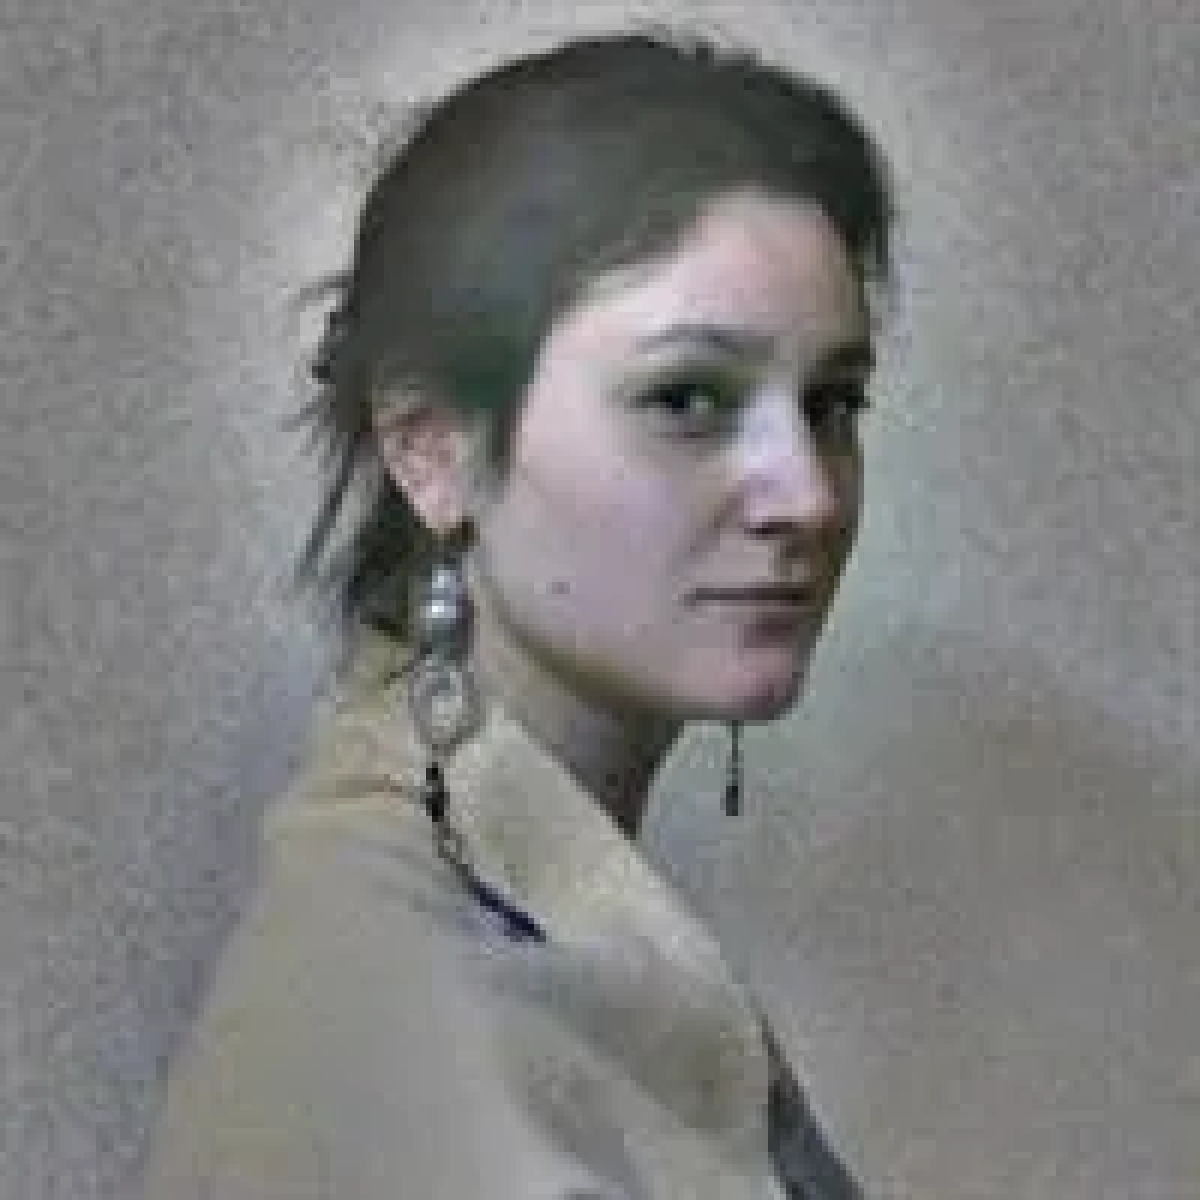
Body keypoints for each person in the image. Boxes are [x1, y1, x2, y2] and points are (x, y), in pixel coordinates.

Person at [138, 27, 895, 1200]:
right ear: (432, 450)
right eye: (689, 399)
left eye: (833, 404)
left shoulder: (533, 901)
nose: (806, 495)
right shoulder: (390, 1001)